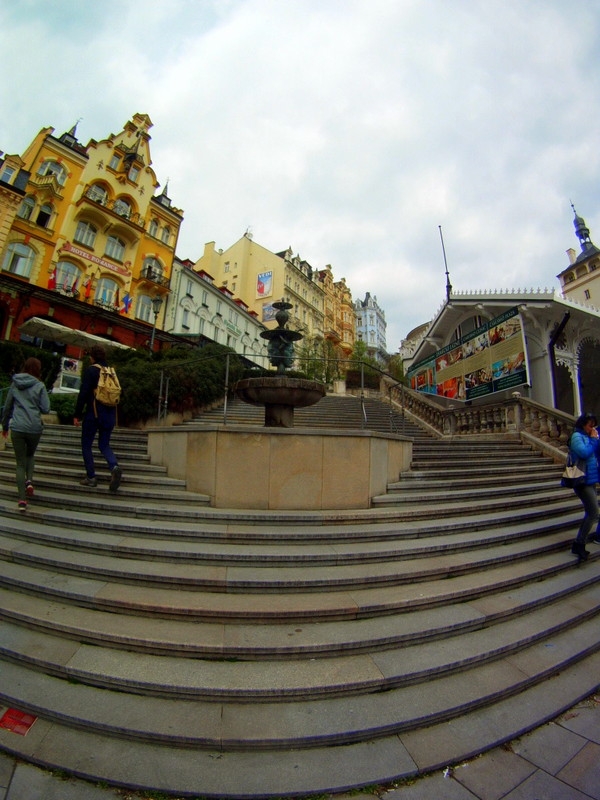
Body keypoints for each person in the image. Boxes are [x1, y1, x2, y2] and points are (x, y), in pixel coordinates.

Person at [1, 357, 51, 512]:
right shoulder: (40, 385)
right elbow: (46, 409)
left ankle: (22, 500)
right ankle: (29, 481)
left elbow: (7, 406)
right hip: (34, 428)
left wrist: (4, 425)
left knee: (20, 463)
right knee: (30, 455)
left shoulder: (15, 384)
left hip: (17, 427)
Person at [73, 345, 122, 492]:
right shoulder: (111, 372)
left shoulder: (92, 371)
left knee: (86, 445)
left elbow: (83, 394)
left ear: (92, 357)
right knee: (104, 444)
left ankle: (91, 477)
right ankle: (114, 466)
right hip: (109, 414)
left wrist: (77, 414)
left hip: (93, 414)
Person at [568, 413, 600, 561]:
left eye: (593, 425)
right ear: (582, 425)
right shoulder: (577, 437)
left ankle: (579, 543)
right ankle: (579, 542)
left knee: (591, 512)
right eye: (589, 425)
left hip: (590, 480)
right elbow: (584, 453)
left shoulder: (588, 437)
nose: (591, 428)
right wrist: (594, 440)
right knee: (594, 513)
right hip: (581, 480)